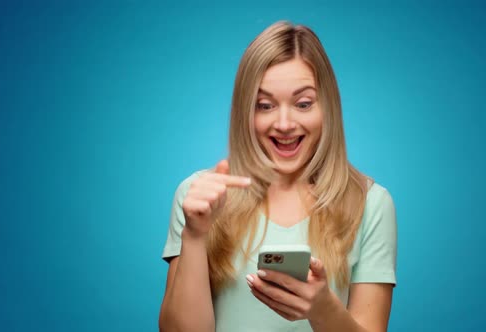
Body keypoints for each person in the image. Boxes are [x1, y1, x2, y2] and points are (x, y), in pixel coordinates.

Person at [159, 21, 397, 332]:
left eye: (303, 104)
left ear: (327, 107)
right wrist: (194, 235)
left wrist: (322, 308)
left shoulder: (371, 203)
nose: (284, 123)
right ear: (246, 111)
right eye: (265, 105)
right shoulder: (199, 195)